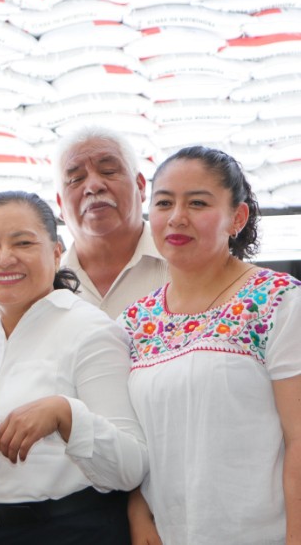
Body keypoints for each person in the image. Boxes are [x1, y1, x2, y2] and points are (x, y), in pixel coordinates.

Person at [0, 191, 147, 545]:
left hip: (71, 531)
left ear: (56, 252)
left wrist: (66, 415)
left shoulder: (90, 331)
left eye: (23, 242)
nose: (5, 258)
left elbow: (131, 467)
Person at [121, 146, 301, 545]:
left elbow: (299, 437)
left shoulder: (278, 302)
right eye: (164, 203)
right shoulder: (133, 322)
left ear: (237, 217)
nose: (177, 217)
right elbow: (129, 438)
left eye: (197, 202)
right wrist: (136, 509)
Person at [55, 126, 168, 319]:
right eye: (76, 179)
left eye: (108, 171)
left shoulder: (184, 266)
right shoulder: (47, 286)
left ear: (140, 186)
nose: (93, 187)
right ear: (60, 206)